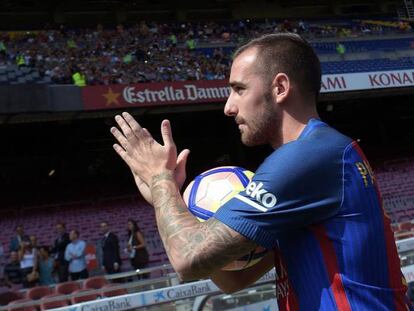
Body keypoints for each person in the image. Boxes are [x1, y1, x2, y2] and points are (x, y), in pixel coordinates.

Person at [110, 33, 409, 310]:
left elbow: (188, 259)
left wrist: (160, 179)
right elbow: (234, 279)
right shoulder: (319, 158)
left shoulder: (307, 158)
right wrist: (167, 196)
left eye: (239, 89)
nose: (228, 107)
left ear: (279, 88)